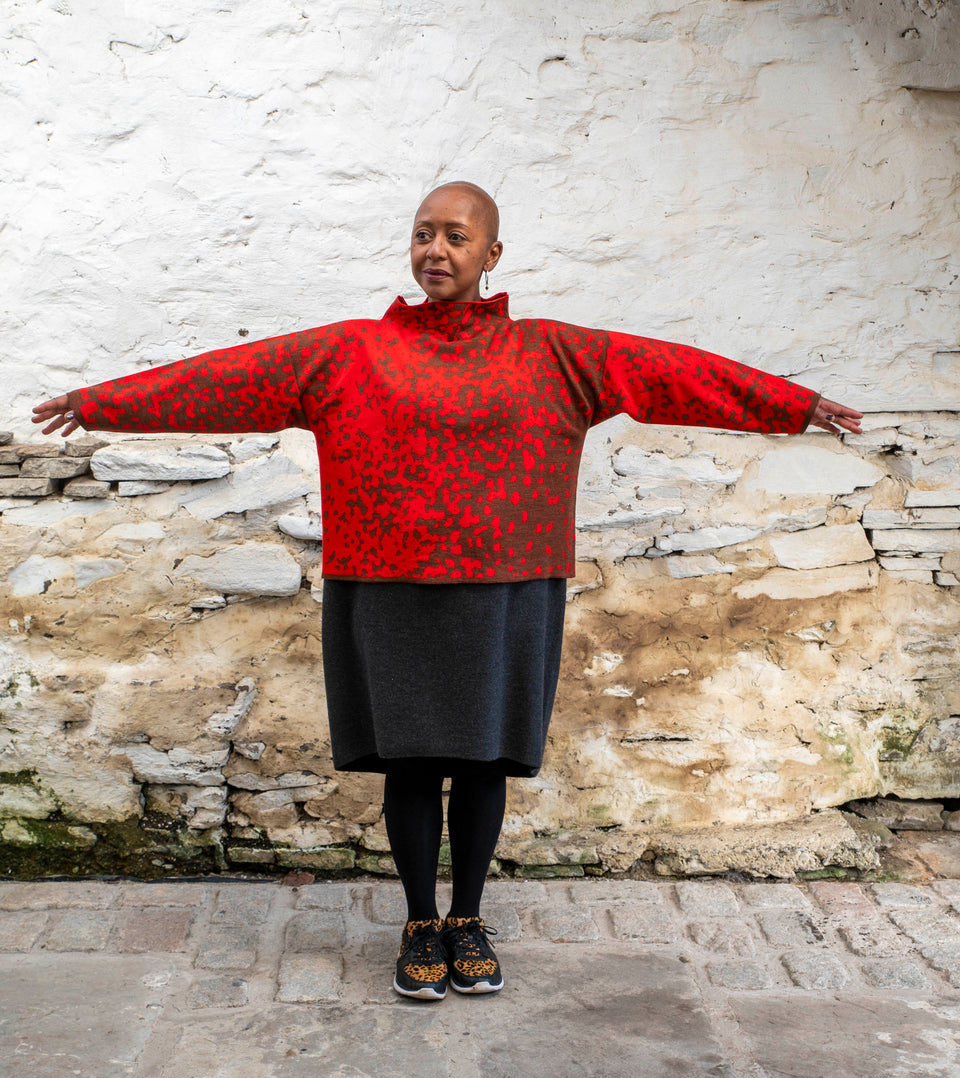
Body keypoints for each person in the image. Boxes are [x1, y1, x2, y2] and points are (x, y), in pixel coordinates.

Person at [32, 180, 863, 1002]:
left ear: (491, 254)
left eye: (457, 236)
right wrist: (99, 403)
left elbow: (672, 375)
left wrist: (792, 406)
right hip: (387, 586)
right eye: (425, 233)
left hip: (507, 586)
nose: (437, 249)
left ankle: (468, 919)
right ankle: (419, 921)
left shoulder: (554, 352)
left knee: (482, 761)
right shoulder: (347, 351)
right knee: (411, 762)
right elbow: (224, 380)